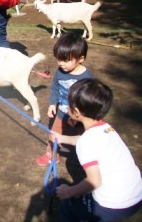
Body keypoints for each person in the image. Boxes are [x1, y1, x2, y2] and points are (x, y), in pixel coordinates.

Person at [52, 78, 142, 221]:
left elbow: (94, 181)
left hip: (114, 205)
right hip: (136, 195)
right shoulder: (105, 128)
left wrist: (68, 192)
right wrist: (62, 138)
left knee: (67, 207)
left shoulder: (87, 142)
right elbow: (83, 140)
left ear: (75, 112)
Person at [35, 32, 92, 166]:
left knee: (87, 138)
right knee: (53, 136)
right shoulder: (60, 72)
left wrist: (79, 117)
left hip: (81, 117)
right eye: (59, 59)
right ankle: (52, 155)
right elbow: (55, 88)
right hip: (62, 113)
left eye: (66, 60)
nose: (61, 64)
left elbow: (88, 102)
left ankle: (90, 157)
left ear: (81, 58)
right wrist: (52, 104)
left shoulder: (87, 80)